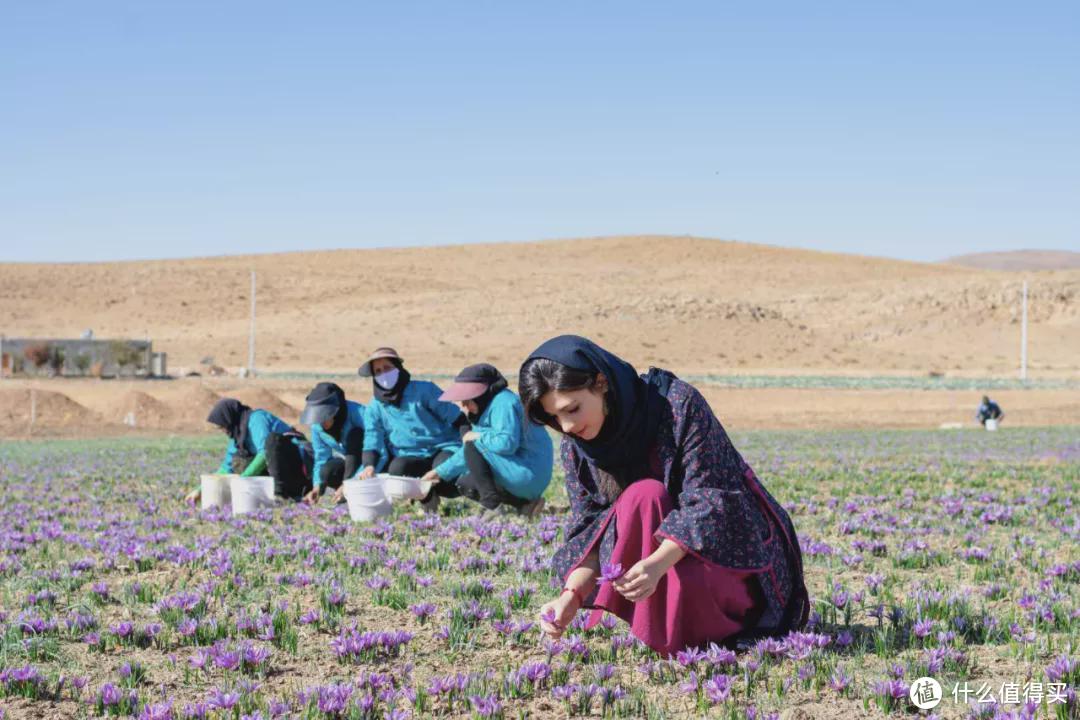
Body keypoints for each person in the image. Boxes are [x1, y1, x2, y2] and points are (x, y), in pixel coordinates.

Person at [519, 335, 809, 655]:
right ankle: (663, 623)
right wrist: (570, 597)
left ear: (601, 383)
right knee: (642, 497)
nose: (567, 425)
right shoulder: (577, 448)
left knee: (646, 495)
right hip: (648, 579)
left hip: (724, 562)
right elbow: (591, 532)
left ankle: (678, 624)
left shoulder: (677, 406)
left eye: (572, 408)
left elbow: (711, 501)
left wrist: (656, 565)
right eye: (554, 419)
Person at [419, 363, 552, 517]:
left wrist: (478, 436)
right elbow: (467, 454)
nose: (463, 405)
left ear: (480, 395)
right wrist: (437, 474)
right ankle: (526, 505)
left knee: (472, 446)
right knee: (466, 484)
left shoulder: (504, 403)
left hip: (529, 471)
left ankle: (493, 507)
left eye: (467, 400)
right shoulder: (487, 408)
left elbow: (506, 443)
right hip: (521, 471)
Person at [347, 348, 468, 510]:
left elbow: (455, 417)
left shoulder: (425, 390)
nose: (383, 374)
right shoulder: (375, 407)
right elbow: (372, 439)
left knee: (445, 469)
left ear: (398, 367)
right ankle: (427, 499)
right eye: (378, 371)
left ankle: (463, 490)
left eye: (388, 368)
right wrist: (369, 465)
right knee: (397, 468)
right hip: (411, 455)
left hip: (442, 447)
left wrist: (467, 437)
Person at [184, 398, 311, 503]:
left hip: (299, 468)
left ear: (229, 419)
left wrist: (241, 481)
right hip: (281, 472)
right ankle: (267, 498)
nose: (223, 430)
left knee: (271, 442)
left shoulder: (257, 419)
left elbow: (264, 453)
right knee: (239, 460)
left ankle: (282, 495)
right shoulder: (238, 436)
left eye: (222, 426)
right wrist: (200, 490)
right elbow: (226, 468)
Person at [299, 382, 365, 504]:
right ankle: (342, 492)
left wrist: (350, 483)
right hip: (350, 464)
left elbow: (377, 449)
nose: (321, 422)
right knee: (327, 472)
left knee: (355, 435)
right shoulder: (317, 427)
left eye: (324, 416)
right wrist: (317, 487)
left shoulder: (359, 413)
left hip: (370, 464)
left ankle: (352, 490)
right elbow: (321, 457)